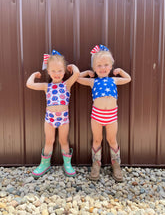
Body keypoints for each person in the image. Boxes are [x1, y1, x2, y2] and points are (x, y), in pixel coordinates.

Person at [77, 45, 131, 182]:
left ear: (111, 66)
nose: (102, 68)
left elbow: (128, 79)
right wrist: (87, 73)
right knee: (97, 140)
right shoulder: (93, 81)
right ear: (94, 68)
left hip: (112, 116)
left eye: (106, 64)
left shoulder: (114, 80)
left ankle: (116, 164)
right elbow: (77, 78)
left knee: (112, 140)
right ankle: (96, 163)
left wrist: (122, 71)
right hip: (97, 116)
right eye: (99, 65)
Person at [26, 50, 80, 177]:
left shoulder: (67, 85)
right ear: (48, 71)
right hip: (49, 119)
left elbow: (76, 74)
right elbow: (29, 84)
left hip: (63, 119)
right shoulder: (46, 86)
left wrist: (72, 67)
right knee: (49, 141)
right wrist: (34, 74)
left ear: (65, 71)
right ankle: (45, 164)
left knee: (64, 141)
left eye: (60, 70)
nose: (57, 74)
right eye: (53, 71)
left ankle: (67, 164)